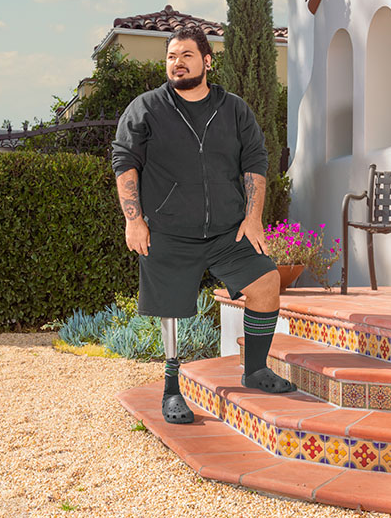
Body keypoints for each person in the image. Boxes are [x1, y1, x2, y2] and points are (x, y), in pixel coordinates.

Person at [111, 25, 296, 425]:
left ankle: (255, 369)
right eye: (171, 57)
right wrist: (134, 220)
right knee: (172, 311)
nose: (177, 64)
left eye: (186, 56)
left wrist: (253, 218)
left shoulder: (233, 109)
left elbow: (256, 162)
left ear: (207, 61)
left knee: (265, 282)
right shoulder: (145, 108)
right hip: (169, 229)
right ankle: (172, 388)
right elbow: (125, 161)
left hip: (228, 230)